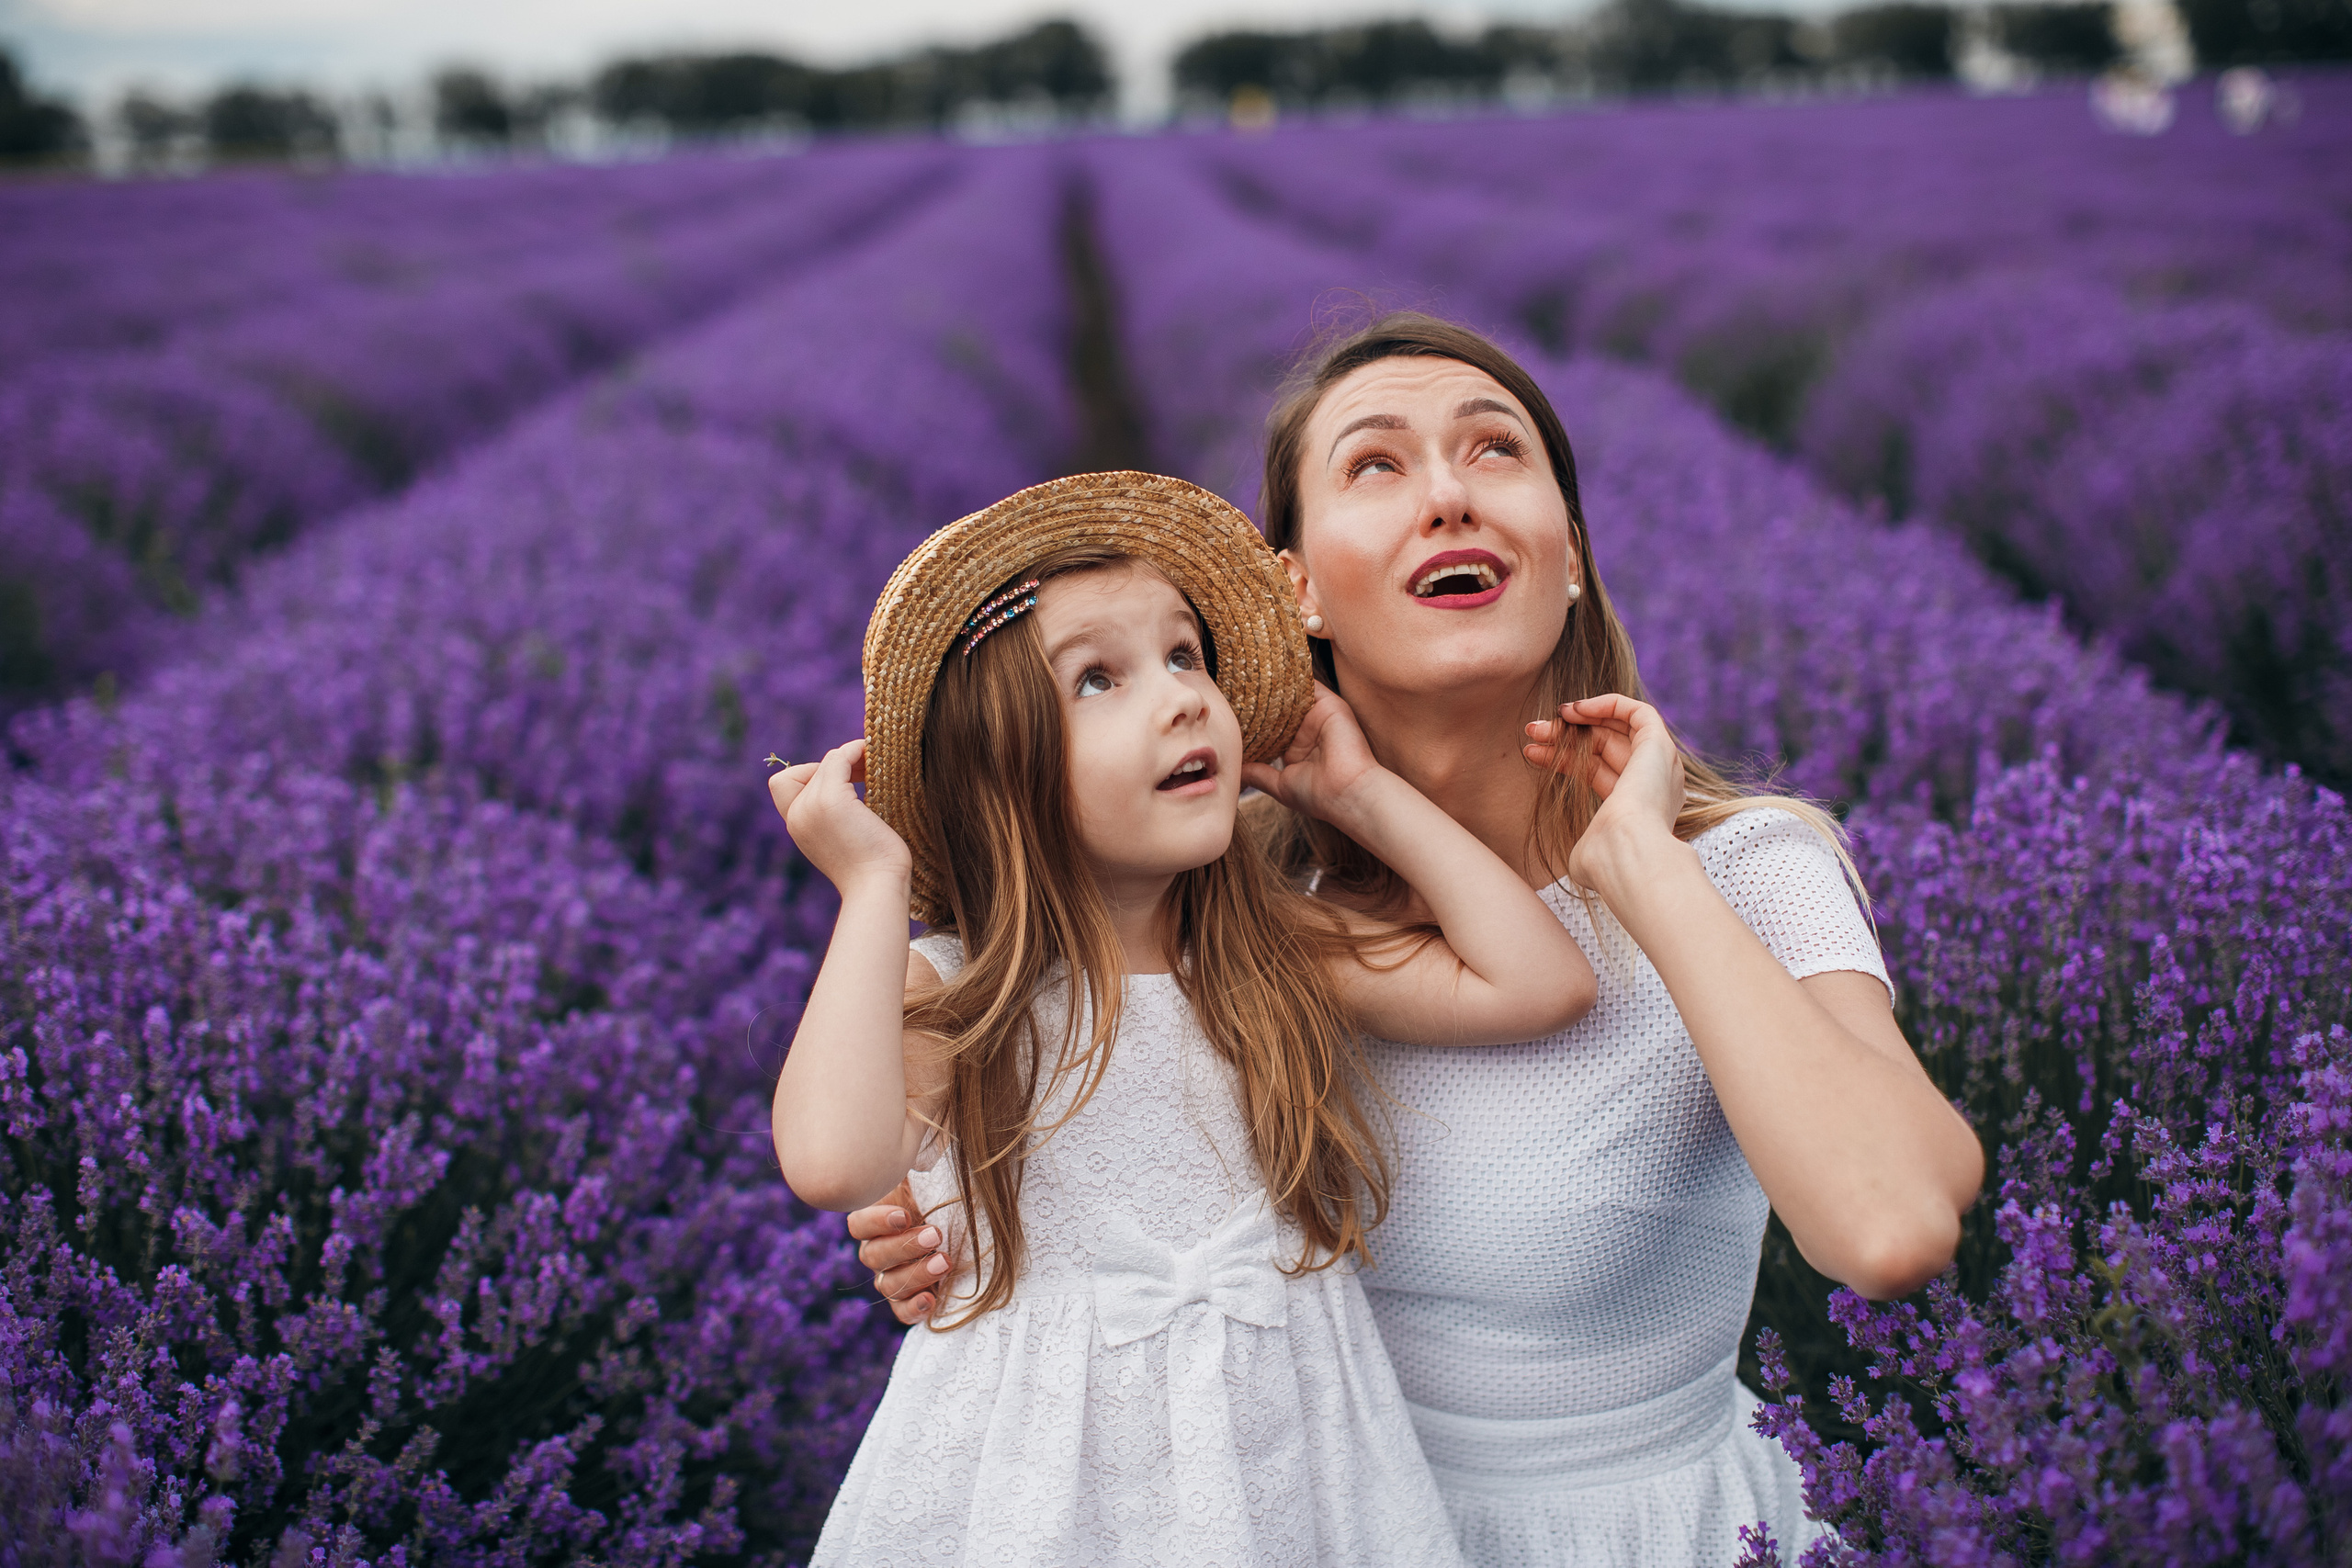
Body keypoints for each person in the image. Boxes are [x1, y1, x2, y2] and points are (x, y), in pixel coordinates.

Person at [848, 317, 1985, 1566]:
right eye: (1377, 464)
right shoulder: (1224, 907)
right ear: (1297, 590)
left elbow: (1891, 1229)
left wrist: (1645, 869)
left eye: (1495, 450)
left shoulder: (1744, 870)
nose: (1448, 495)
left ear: (1568, 556)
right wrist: (963, 1221)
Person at [769, 470, 1598, 1565]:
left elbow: (1541, 984)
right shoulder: (963, 992)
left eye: (1184, 655)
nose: (1181, 698)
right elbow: (834, 1163)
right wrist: (873, 885)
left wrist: (1358, 795)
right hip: (1042, 1486)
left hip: (1287, 1468)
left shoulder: (1264, 952)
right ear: (999, 772)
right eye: (1097, 680)